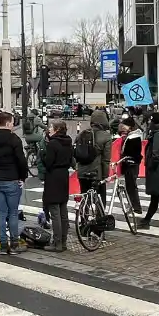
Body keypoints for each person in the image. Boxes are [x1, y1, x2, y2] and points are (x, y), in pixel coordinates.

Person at [0, 112, 28, 255]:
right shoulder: (14, 139)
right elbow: (21, 160)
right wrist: (22, 177)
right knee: (13, 213)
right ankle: (14, 245)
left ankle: (3, 246)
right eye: (12, 123)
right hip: (12, 179)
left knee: (1, 213)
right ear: (7, 123)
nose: (13, 125)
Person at [39, 120, 73, 252]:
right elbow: (71, 159)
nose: (49, 130)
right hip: (64, 176)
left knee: (55, 211)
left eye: (51, 128)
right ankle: (63, 241)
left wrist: (43, 155)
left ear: (57, 129)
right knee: (63, 209)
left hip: (53, 176)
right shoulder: (68, 141)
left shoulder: (53, 143)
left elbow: (48, 163)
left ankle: (57, 242)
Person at [75, 108, 113, 207]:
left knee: (84, 195)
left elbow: (75, 152)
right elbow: (106, 159)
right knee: (100, 198)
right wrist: (105, 176)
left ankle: (83, 218)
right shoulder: (106, 136)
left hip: (82, 172)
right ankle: (100, 218)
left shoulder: (82, 134)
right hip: (96, 173)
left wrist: (77, 168)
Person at [118, 118, 143, 214]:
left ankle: (136, 207)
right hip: (131, 164)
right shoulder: (132, 135)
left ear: (130, 127)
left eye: (125, 125)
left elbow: (132, 151)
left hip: (131, 164)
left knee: (131, 186)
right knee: (130, 186)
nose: (123, 127)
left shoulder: (134, 137)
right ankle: (134, 206)